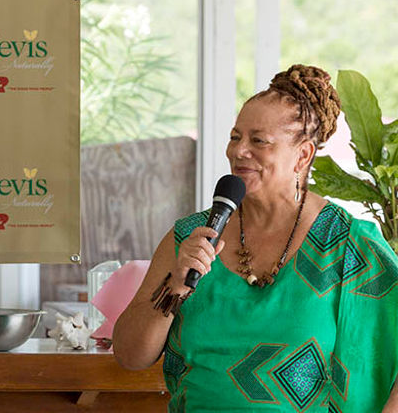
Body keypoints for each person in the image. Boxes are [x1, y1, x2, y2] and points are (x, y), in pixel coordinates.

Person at [113, 64, 398, 412]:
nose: (238, 151)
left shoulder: (348, 245)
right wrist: (174, 285)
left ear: (303, 155)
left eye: (258, 140)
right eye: (235, 137)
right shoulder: (189, 237)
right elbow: (130, 356)